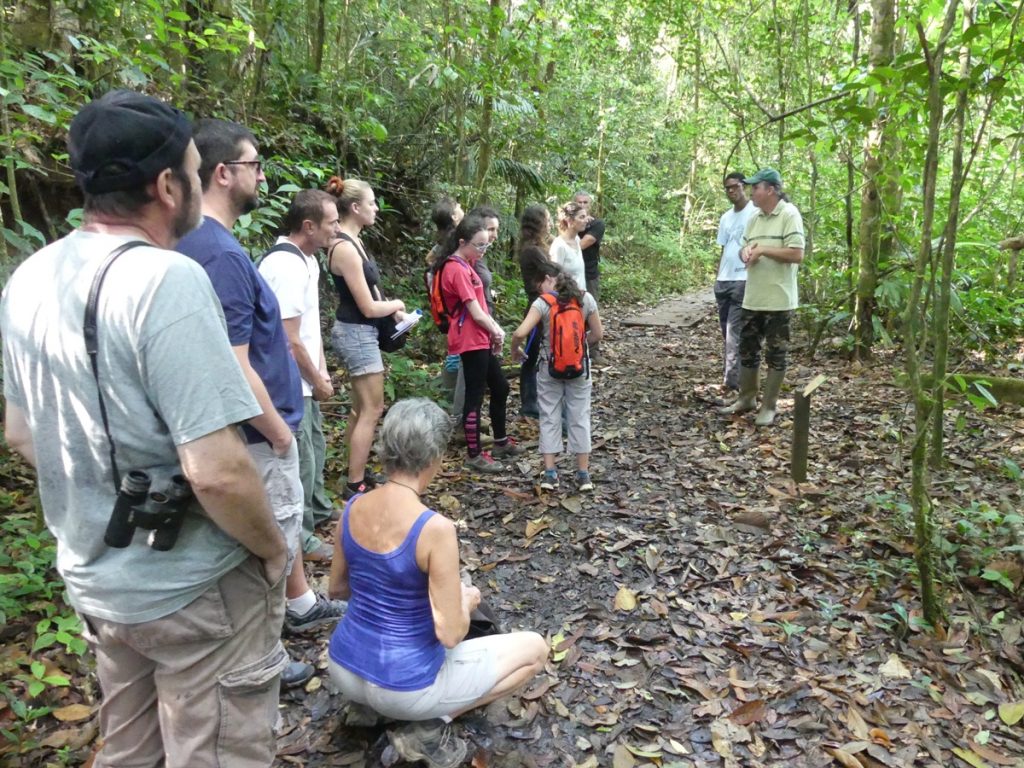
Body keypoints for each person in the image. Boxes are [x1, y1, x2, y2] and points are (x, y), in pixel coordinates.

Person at [1, 90, 289, 766]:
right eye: (191, 172)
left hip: (99, 581)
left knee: (129, 748)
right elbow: (216, 471)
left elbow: (20, 432)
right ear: (168, 186)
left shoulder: (29, 278)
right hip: (195, 589)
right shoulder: (168, 279)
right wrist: (274, 548)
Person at [177, 119, 345, 689]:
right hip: (254, 434)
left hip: (245, 429)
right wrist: (276, 432)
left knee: (275, 539)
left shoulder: (204, 243)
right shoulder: (219, 253)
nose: (262, 175)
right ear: (223, 173)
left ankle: (288, 620)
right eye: (254, 165)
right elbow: (233, 360)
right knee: (265, 548)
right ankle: (260, 659)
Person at [326, 398, 548, 768]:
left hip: (344, 668)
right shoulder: (434, 528)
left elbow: (337, 590)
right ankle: (428, 726)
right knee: (536, 650)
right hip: (404, 686)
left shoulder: (353, 508)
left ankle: (365, 711)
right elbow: (450, 633)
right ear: (435, 458)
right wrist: (467, 600)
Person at [258, 189, 341, 562]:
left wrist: (321, 372)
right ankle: (303, 538)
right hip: (288, 383)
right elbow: (289, 339)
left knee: (315, 448)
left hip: (307, 379)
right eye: (332, 223)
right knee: (301, 460)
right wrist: (316, 379)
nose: (337, 230)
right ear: (308, 226)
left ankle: (319, 509)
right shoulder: (286, 266)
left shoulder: (308, 260)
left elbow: (309, 329)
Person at [326, 176, 409, 498]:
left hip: (361, 331)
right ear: (356, 207)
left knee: (361, 408)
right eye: (372, 203)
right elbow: (367, 306)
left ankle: (353, 469)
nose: (377, 208)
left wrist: (395, 314)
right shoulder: (344, 247)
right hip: (356, 333)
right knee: (373, 408)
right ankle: (354, 482)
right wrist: (397, 304)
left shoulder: (354, 241)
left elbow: (372, 293)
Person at [438, 214, 524, 473]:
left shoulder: (468, 264)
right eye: (479, 245)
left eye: (486, 245)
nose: (484, 250)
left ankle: (499, 442)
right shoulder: (455, 268)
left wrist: (492, 335)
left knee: (500, 387)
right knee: (474, 397)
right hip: (469, 339)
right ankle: (474, 455)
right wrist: (497, 331)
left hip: (480, 338)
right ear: (463, 241)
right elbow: (475, 312)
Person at [719, 168, 804, 426]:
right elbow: (747, 245)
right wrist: (746, 252)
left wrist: (764, 250)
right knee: (747, 349)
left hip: (778, 299)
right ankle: (747, 397)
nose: (751, 191)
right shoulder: (754, 217)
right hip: (752, 296)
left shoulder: (789, 214)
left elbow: (797, 254)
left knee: (776, 354)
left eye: (756, 187)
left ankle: (769, 405)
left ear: (770, 190)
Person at [510, 263, 603, 492]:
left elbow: (520, 332)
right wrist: (580, 347)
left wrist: (515, 350)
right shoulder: (585, 299)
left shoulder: (543, 303)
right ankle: (583, 475)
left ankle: (550, 474)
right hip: (580, 368)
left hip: (548, 367)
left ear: (549, 280)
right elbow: (598, 334)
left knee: (549, 415)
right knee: (580, 416)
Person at [450, 205, 500, 426]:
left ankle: (474, 433)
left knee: (493, 386)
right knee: (472, 390)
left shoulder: (474, 258)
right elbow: (471, 305)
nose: (491, 237)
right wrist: (496, 330)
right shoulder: (460, 265)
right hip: (471, 331)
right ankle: (466, 431)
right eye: (489, 229)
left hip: (482, 329)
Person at [714, 173, 757, 391]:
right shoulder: (725, 217)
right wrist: (717, 276)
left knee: (734, 332)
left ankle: (732, 382)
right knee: (727, 332)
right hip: (724, 280)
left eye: (735, 186)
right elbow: (724, 248)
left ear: (744, 187)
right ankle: (737, 375)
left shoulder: (756, 213)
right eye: (727, 188)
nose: (732, 191)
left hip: (743, 279)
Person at [516, 203, 553, 420]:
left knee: (541, 355)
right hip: (536, 308)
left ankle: (537, 400)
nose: (549, 224)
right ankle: (529, 404)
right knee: (530, 357)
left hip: (544, 305)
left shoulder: (538, 248)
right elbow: (553, 272)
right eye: (546, 220)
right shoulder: (531, 251)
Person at [573, 190, 608, 365]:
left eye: (586, 203)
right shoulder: (569, 225)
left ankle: (593, 351)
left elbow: (583, 244)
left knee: (591, 311)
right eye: (579, 202)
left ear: (590, 205)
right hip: (569, 276)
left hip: (589, 275)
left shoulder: (597, 224)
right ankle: (572, 348)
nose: (582, 205)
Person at [549, 200, 589, 292]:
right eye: (582, 217)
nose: (586, 220)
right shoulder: (559, 245)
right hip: (567, 299)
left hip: (581, 296)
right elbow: (554, 278)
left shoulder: (577, 239)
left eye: (586, 216)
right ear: (570, 220)